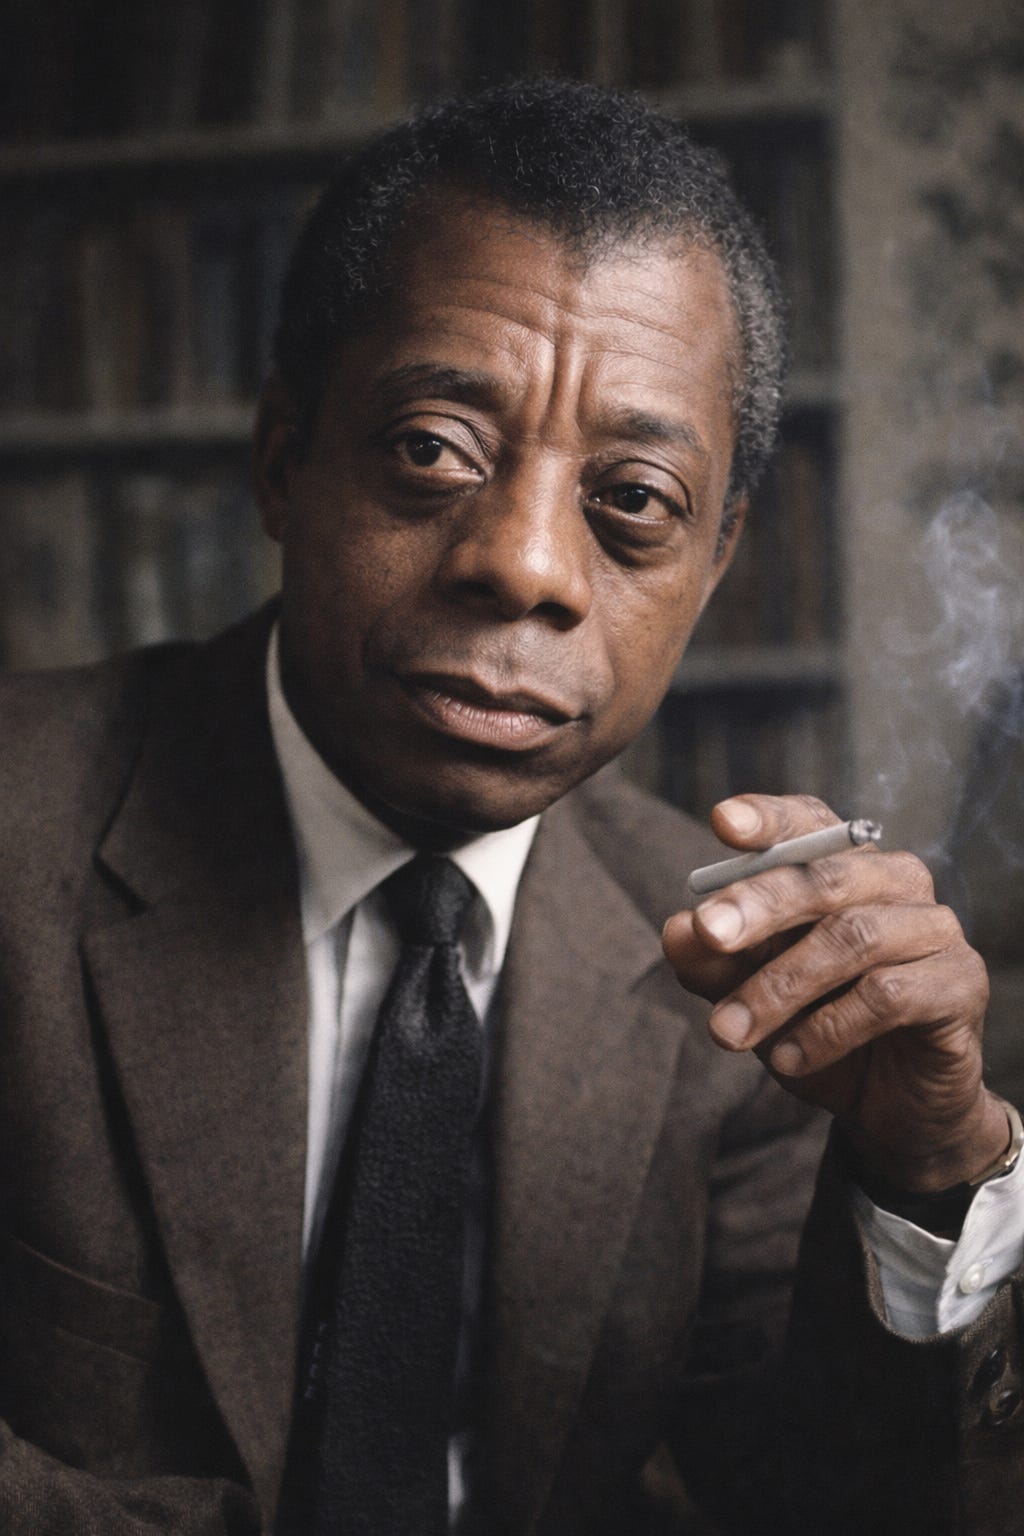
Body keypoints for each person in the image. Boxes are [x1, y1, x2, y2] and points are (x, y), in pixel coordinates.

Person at [0, 79, 1021, 1536]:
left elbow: (831, 1508)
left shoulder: (735, 974)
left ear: (718, 561)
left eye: (635, 500)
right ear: (284, 458)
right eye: (432, 448)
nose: (527, 565)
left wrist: (925, 1173)